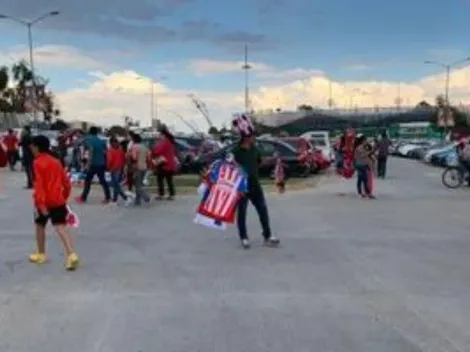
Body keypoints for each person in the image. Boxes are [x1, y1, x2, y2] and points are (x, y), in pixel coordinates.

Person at [29, 135, 80, 271]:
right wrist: (64, 197)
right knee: (60, 227)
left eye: (32, 145)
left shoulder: (37, 163)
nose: (30, 148)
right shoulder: (56, 161)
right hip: (58, 200)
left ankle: (41, 254)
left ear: (37, 147)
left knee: (40, 225)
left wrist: (41, 204)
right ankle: (71, 254)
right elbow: (66, 182)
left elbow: (39, 185)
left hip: (44, 202)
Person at [231, 114, 280, 249]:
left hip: (255, 184)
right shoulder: (235, 151)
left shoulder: (255, 149)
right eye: (253, 136)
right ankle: (244, 238)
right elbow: (230, 168)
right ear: (246, 137)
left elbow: (259, 163)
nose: (255, 138)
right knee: (242, 212)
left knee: (262, 210)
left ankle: (268, 236)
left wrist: (272, 160)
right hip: (241, 187)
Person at [75, 126, 111, 204]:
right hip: (101, 163)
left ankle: (83, 198)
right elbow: (106, 152)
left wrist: (86, 164)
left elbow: (89, 151)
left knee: (88, 181)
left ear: (89, 132)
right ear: (97, 132)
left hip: (92, 164)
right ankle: (108, 197)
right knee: (103, 181)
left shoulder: (87, 140)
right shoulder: (101, 141)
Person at [151, 125, 177, 200]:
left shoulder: (165, 142)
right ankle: (171, 195)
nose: (159, 136)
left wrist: (152, 151)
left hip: (164, 163)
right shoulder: (170, 141)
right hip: (169, 164)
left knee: (160, 180)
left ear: (163, 135)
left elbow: (158, 151)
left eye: (160, 134)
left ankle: (161, 194)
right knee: (169, 180)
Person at [107, 136, 131, 205]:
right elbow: (124, 159)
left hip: (113, 169)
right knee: (116, 185)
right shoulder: (121, 150)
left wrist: (108, 167)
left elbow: (109, 160)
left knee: (116, 186)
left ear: (111, 143)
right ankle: (115, 200)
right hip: (119, 168)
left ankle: (124, 198)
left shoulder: (110, 150)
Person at [129, 133, 151, 205]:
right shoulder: (145, 147)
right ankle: (137, 201)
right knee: (139, 184)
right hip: (144, 167)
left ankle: (146, 197)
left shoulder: (134, 147)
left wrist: (132, 165)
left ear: (134, 140)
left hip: (137, 167)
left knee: (137, 185)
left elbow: (134, 158)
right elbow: (148, 158)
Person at [354, 135, 375, 199]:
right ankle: (365, 193)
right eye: (366, 140)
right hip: (360, 165)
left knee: (361, 179)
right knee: (363, 179)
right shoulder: (359, 148)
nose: (367, 142)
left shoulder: (363, 147)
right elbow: (362, 155)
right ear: (363, 141)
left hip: (363, 164)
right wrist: (369, 152)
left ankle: (363, 193)